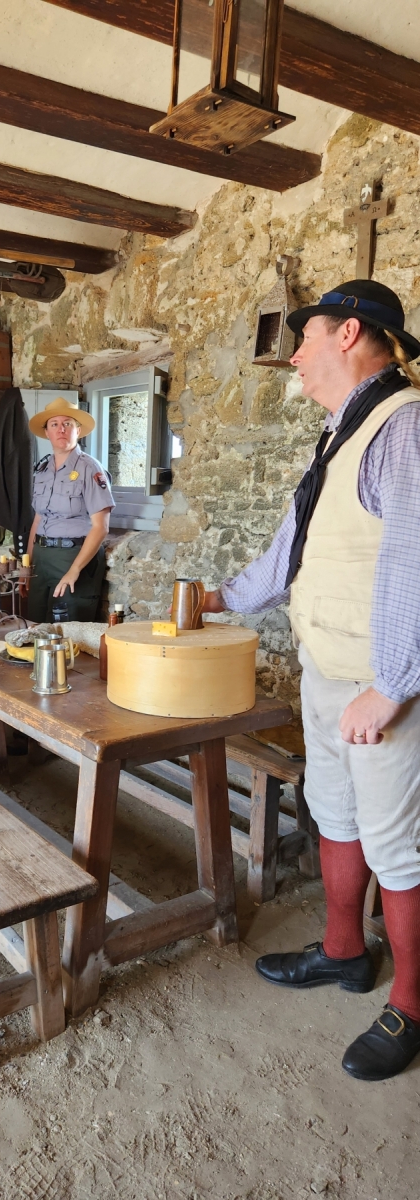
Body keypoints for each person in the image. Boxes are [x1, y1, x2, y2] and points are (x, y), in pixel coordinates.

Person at [203, 279, 420, 1082]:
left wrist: (391, 686)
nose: (293, 355)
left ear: (349, 334)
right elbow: (292, 549)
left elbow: (414, 560)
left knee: (398, 846)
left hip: (381, 684)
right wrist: (219, 598)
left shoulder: (406, 427)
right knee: (334, 812)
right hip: (329, 670)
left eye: (305, 337)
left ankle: (411, 1004)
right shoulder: (339, 433)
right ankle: (342, 950)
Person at [26, 398, 115, 622]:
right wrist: (27, 565)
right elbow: (38, 519)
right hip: (41, 559)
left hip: (73, 556)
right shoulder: (42, 469)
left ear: (78, 430)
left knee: (68, 629)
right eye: (54, 424)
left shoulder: (90, 468)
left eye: (68, 423)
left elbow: (101, 527)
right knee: (35, 626)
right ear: (46, 432)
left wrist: (75, 570)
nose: (61, 429)